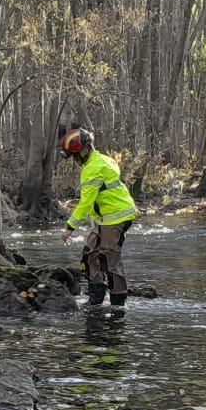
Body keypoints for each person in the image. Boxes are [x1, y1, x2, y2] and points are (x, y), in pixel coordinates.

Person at [58, 127, 138, 307]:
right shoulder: (100, 161)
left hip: (116, 217)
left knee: (109, 258)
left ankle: (118, 304)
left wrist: (70, 228)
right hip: (104, 218)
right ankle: (96, 298)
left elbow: (86, 203)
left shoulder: (94, 167)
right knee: (90, 254)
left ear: (85, 150)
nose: (74, 161)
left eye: (75, 156)